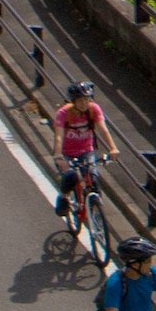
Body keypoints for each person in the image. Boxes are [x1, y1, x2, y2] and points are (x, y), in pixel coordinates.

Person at [52, 81, 118, 215]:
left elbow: (103, 130)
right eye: (80, 100)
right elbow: (58, 137)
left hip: (86, 150)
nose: (84, 103)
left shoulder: (93, 109)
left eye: (86, 99)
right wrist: (59, 156)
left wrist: (113, 148)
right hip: (67, 152)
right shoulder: (63, 113)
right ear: (73, 101)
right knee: (70, 176)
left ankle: (95, 205)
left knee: (93, 176)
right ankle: (63, 197)